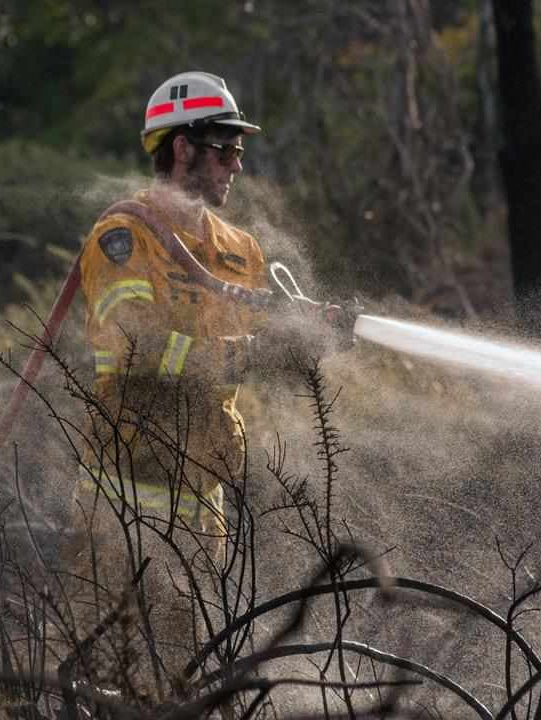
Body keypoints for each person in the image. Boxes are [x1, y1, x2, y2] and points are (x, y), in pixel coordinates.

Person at [60, 70, 338, 705]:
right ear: (180, 147)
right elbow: (132, 345)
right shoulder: (124, 237)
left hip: (203, 510)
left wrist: (312, 334)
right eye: (223, 147)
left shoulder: (239, 250)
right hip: (120, 509)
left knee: (187, 692)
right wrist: (242, 356)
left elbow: (259, 345)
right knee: (109, 688)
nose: (236, 162)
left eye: (240, 148)